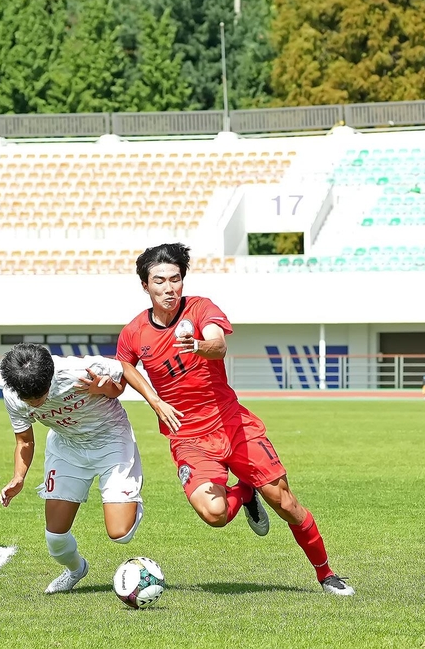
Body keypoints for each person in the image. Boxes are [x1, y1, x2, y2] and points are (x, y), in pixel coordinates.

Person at [115, 243, 353, 597]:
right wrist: (154, 401)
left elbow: (218, 344)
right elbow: (125, 364)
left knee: (286, 504)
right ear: (145, 286)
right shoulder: (134, 331)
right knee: (214, 514)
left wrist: (196, 345)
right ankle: (245, 490)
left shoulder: (201, 309)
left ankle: (327, 574)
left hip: (232, 424)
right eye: (160, 281)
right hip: (188, 437)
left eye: (176, 279)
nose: (169, 288)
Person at [0, 343, 144, 594]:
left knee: (120, 534)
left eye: (39, 397)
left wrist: (145, 400)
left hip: (110, 439)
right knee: (55, 540)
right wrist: (18, 477)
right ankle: (76, 570)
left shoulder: (77, 370)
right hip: (67, 446)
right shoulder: (12, 394)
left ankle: (129, 494)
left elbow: (124, 370)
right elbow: (24, 440)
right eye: (28, 400)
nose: (34, 404)